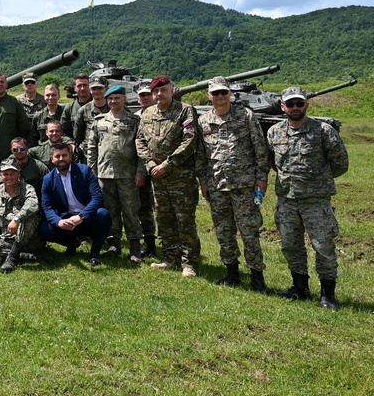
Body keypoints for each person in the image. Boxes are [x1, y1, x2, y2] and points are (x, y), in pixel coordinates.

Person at [268, 87, 349, 309]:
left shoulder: (323, 131)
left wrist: (317, 181)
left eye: (299, 103)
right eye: (290, 104)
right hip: (287, 200)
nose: (295, 107)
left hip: (316, 201)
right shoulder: (274, 132)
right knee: (290, 245)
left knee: (323, 246)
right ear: (283, 106)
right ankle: (300, 288)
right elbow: (272, 163)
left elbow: (341, 163)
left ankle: (327, 294)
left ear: (306, 105)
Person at [196, 77, 272, 292]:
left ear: (229, 94)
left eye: (224, 92)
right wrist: (203, 182)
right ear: (209, 95)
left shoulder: (245, 116)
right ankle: (232, 273)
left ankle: (257, 276)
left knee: (249, 232)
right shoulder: (203, 121)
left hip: (245, 186)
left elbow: (260, 148)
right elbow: (201, 156)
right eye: (216, 93)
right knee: (224, 231)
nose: (220, 96)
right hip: (217, 185)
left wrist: (262, 178)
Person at [136, 76, 201, 278]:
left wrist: (167, 164)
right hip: (158, 177)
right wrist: (150, 163)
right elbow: (140, 140)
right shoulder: (147, 113)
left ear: (172, 91)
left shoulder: (185, 110)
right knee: (164, 219)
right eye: (156, 91)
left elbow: (189, 140)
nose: (159, 94)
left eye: (163, 90)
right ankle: (169, 258)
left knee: (184, 220)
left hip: (180, 177)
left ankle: (189, 262)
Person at [86, 85, 145, 262]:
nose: (113, 101)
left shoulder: (134, 121)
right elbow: (92, 148)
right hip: (104, 174)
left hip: (128, 175)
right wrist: (92, 173)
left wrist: (140, 173)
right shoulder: (99, 121)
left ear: (124, 99)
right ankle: (114, 244)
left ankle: (134, 248)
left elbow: (142, 150)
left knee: (131, 212)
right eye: (110, 99)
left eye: (117, 98)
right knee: (110, 212)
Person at [39, 142, 112, 267]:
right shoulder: (48, 179)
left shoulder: (85, 171)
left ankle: (95, 252)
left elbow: (97, 198)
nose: (61, 159)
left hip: (85, 218)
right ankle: (71, 243)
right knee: (43, 229)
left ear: (70, 156)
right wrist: (58, 222)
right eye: (57, 156)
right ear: (52, 159)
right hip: (65, 220)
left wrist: (81, 216)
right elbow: (47, 207)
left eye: (64, 155)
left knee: (103, 214)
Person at [0, 158, 41, 273]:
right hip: (8, 241)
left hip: (29, 239)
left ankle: (13, 258)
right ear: (1, 175)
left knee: (30, 216)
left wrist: (17, 219)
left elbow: (33, 204)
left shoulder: (27, 188)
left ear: (18, 174)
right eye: (5, 174)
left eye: (12, 173)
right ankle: (27, 256)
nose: (9, 177)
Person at [134, 82, 157, 257]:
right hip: (141, 167)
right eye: (142, 95)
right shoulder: (135, 118)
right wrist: (140, 172)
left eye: (148, 94)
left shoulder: (162, 114)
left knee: (163, 207)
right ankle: (149, 243)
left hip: (160, 167)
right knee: (144, 207)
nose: (145, 98)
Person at [72, 76, 109, 147]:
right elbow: (77, 136)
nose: (97, 91)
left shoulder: (115, 108)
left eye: (100, 88)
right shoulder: (83, 110)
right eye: (94, 89)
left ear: (106, 89)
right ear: (90, 90)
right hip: (89, 154)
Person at [61, 73, 92, 142]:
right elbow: (63, 132)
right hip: (77, 147)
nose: (82, 88)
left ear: (89, 86)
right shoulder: (69, 108)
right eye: (79, 86)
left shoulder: (97, 104)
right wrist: (70, 143)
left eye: (85, 85)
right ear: (74, 88)